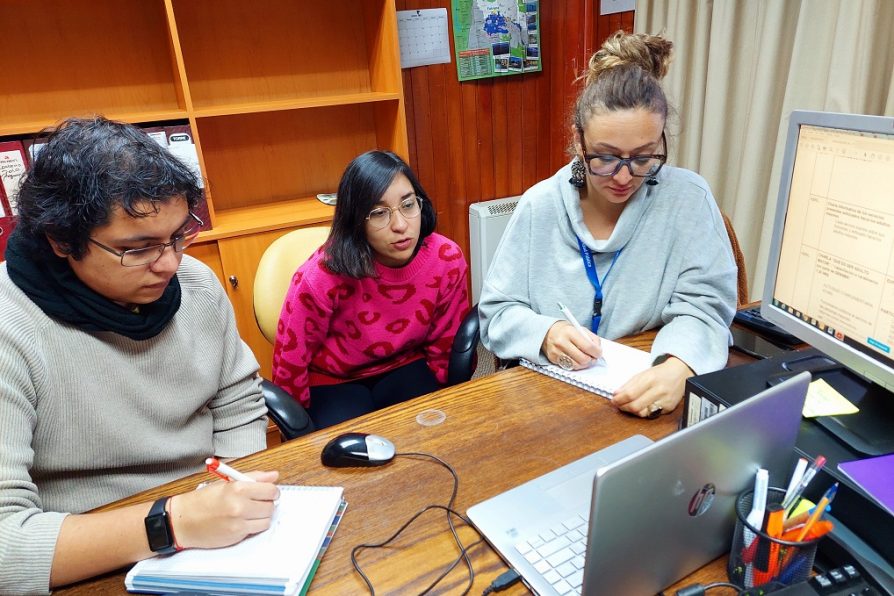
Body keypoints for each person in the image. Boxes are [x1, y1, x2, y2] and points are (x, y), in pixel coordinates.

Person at [0, 117, 278, 594]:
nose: (170, 263)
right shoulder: (12, 325)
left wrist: (234, 497)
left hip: (206, 525)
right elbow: (6, 548)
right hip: (87, 555)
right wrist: (169, 523)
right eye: (139, 248)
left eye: (177, 235)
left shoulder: (194, 285)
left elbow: (237, 401)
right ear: (61, 240)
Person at [479, 31, 737, 419]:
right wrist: (544, 333)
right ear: (578, 142)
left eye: (643, 157)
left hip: (643, 397)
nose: (623, 176)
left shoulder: (686, 199)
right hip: (548, 403)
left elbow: (704, 307)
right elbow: (497, 312)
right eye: (606, 156)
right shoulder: (540, 207)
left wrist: (679, 366)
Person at [272, 150, 469, 428]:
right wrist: (295, 427)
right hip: (334, 378)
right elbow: (291, 357)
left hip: (404, 365)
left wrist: (448, 403)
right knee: (348, 457)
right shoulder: (322, 275)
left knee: (433, 436)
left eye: (408, 205)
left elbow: (445, 344)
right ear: (355, 220)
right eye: (378, 213)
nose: (400, 225)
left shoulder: (445, 258)